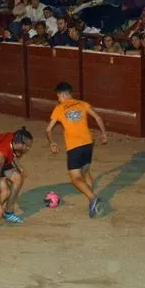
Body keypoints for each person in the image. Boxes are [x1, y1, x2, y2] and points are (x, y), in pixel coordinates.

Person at [45, 82, 109, 218]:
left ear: (63, 94)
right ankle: (91, 199)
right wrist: (103, 134)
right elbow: (98, 117)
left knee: (75, 178)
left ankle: (92, 198)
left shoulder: (59, 108)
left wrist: (52, 142)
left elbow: (48, 129)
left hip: (74, 146)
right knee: (85, 171)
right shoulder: (82, 103)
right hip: (88, 143)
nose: (58, 99)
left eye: (58, 96)